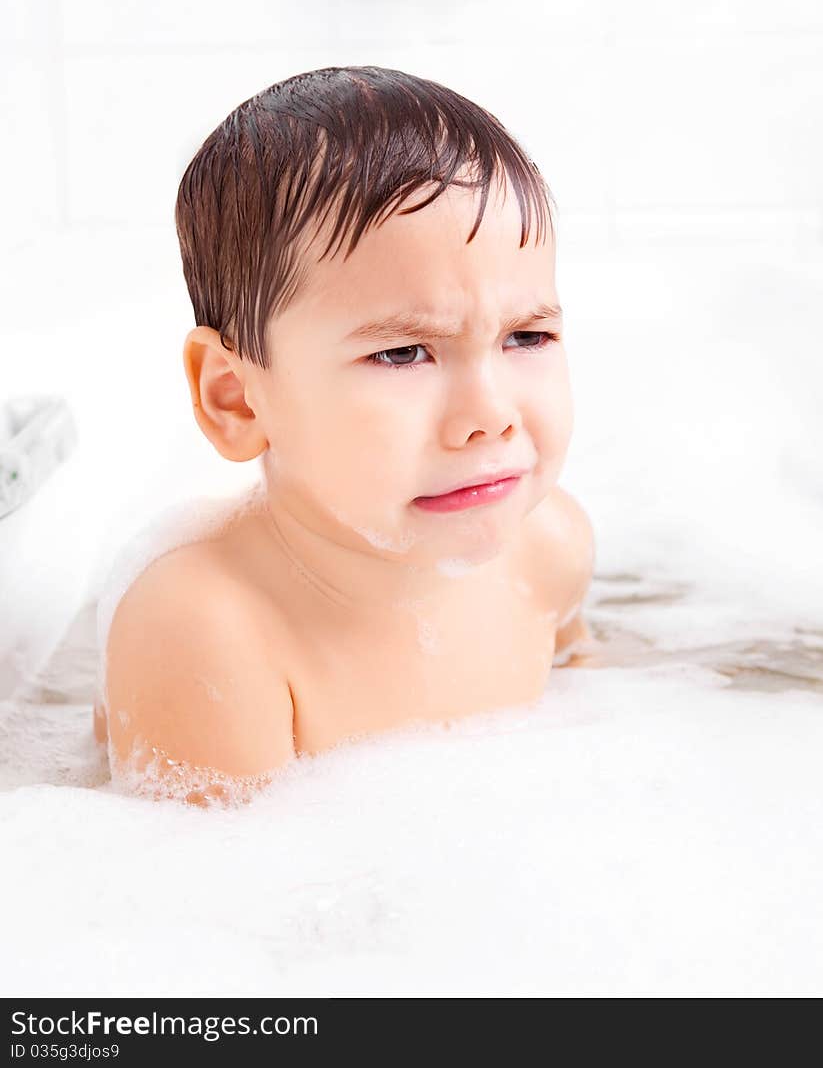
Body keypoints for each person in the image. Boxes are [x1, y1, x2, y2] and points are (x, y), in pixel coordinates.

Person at [94, 66, 595, 806]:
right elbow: (201, 905)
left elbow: (598, 722)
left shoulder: (549, 545)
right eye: (401, 352)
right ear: (237, 399)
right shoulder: (211, 635)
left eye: (527, 335)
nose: (491, 415)